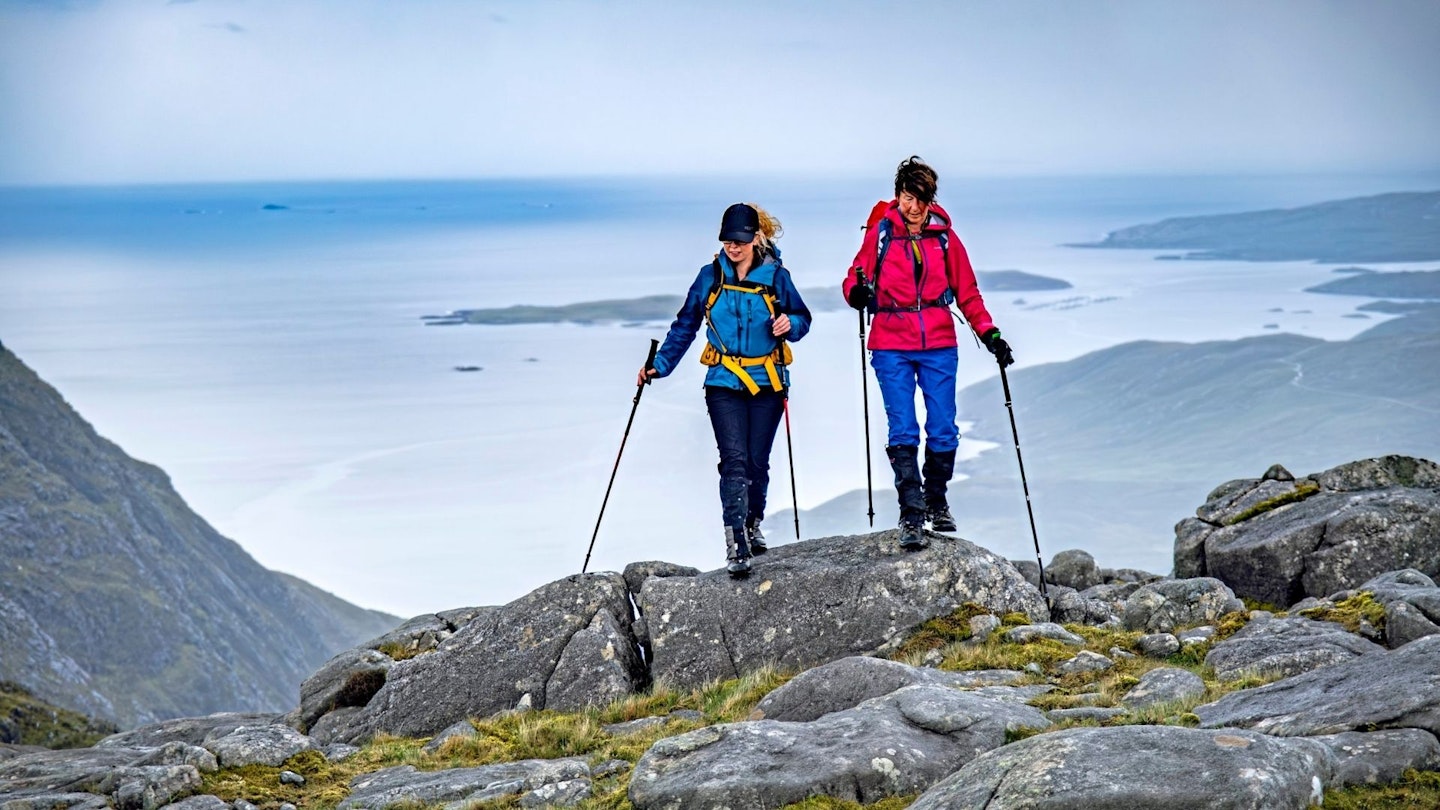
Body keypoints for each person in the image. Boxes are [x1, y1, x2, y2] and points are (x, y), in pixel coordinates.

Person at [841, 156, 1014, 550]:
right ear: (898, 194)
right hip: (890, 343)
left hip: (938, 342)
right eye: (906, 197)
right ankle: (912, 514)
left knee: (943, 427)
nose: (913, 207)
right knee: (902, 426)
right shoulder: (882, 232)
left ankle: (936, 500)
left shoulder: (945, 236)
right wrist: (857, 294)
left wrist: (991, 335)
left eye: (920, 199)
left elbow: (968, 292)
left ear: (930, 199)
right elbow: (855, 276)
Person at [639, 203, 812, 577]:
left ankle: (752, 523)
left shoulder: (776, 276)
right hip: (722, 381)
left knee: (756, 463)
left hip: (768, 382)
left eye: (740, 240)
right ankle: (736, 541)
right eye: (727, 240)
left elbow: (802, 318)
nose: (733, 247)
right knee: (733, 461)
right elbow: (685, 324)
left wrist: (789, 324)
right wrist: (661, 365)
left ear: (756, 238)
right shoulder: (710, 276)